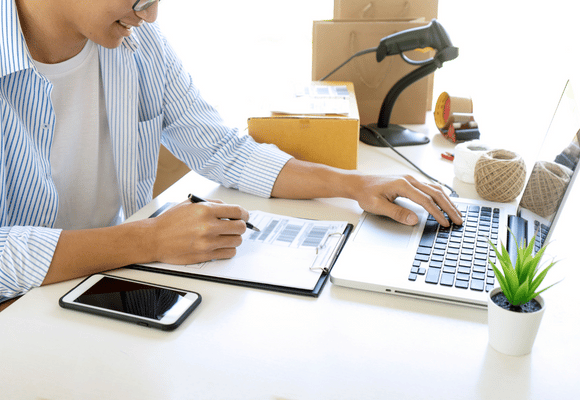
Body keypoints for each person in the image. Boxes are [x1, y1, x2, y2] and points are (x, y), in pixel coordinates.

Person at [0, 0, 463, 303]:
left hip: (97, 288)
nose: (151, 14)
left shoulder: (139, 46)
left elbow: (221, 149)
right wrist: (150, 239)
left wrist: (356, 185)